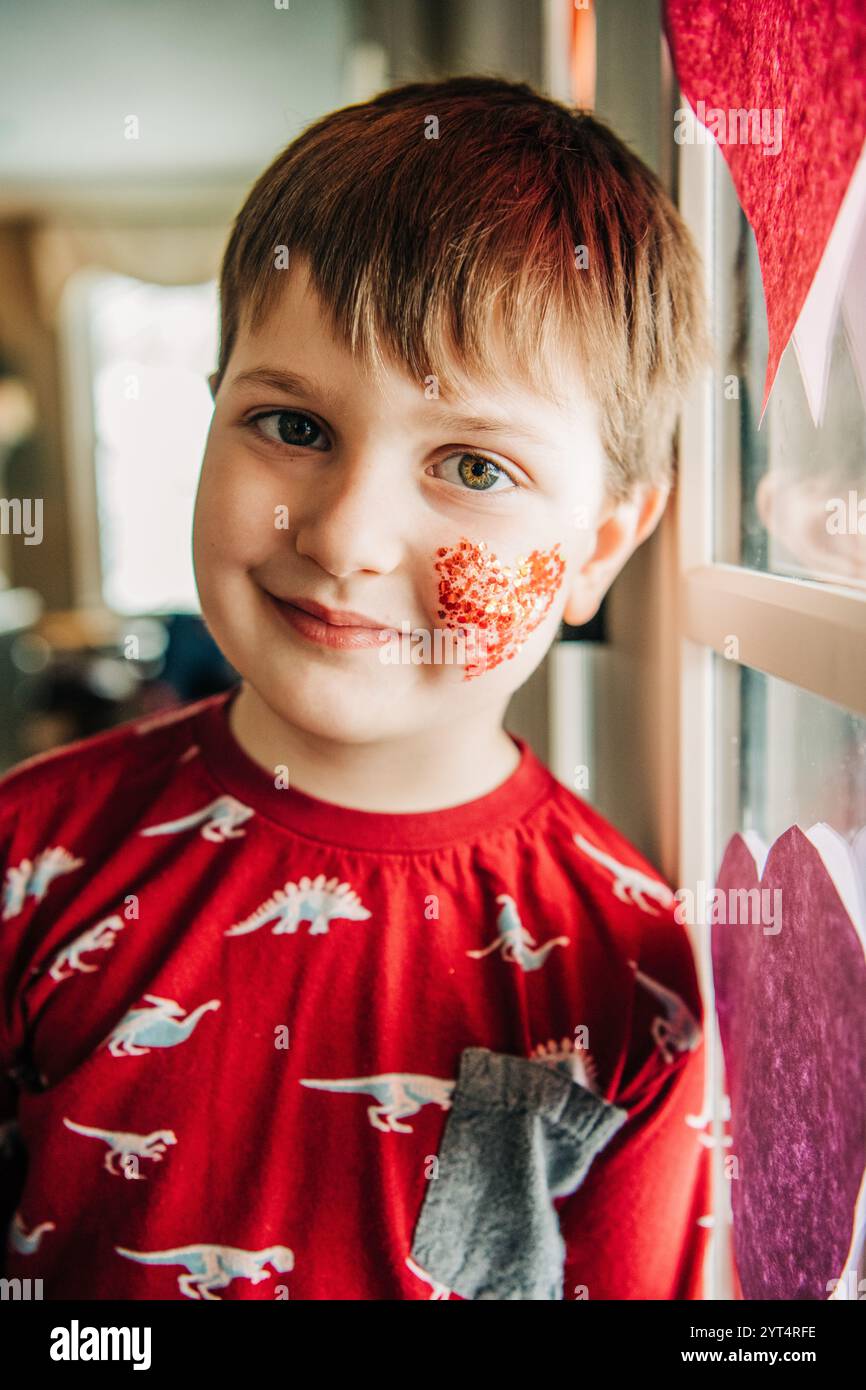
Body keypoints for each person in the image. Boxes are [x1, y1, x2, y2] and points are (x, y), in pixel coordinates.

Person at [0, 76, 713, 1301]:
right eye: (292, 426)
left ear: (598, 545)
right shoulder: (28, 857)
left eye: (472, 464)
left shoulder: (636, 967)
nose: (342, 538)